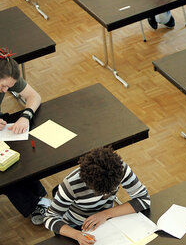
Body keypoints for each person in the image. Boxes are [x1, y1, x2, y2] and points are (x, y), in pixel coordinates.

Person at [43, 147, 150, 245]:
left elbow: (143, 199)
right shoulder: (70, 186)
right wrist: (76, 234)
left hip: (107, 222)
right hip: (76, 227)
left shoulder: (120, 169)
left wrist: (106, 214)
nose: (105, 196)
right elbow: (50, 217)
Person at [0, 49, 48, 225]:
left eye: (9, 87)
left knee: (19, 152)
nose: (6, 91)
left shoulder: (7, 75)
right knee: (5, 172)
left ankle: (40, 196)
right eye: (3, 86)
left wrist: (25, 115)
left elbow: (34, 96)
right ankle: (35, 204)